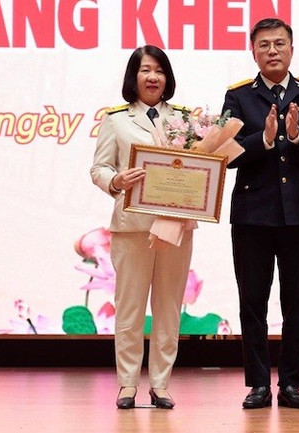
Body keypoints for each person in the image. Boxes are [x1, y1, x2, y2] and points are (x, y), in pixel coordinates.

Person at [222, 18, 299, 410]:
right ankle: (257, 384)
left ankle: (291, 384)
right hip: (252, 214)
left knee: (297, 302)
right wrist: (265, 139)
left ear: (291, 49)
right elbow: (226, 153)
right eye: (264, 44)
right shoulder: (238, 96)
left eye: (280, 43)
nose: (272, 50)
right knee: (252, 301)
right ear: (253, 51)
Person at [90, 45, 193, 410]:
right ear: (133, 77)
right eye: (146, 70)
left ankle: (161, 384)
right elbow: (99, 168)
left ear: (168, 78)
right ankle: (127, 384)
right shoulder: (116, 119)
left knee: (168, 308)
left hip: (175, 227)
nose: (153, 77)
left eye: (160, 71)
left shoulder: (185, 120)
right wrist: (116, 180)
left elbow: (199, 166)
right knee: (130, 308)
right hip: (132, 227)